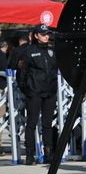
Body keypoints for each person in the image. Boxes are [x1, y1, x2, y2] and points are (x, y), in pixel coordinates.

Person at [16, 24, 59, 166]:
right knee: (32, 123)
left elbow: (54, 70)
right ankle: (29, 154)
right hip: (34, 92)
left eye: (48, 34)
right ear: (36, 35)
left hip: (50, 92)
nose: (46, 36)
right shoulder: (28, 52)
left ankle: (49, 153)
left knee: (47, 124)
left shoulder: (52, 51)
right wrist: (28, 90)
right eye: (43, 34)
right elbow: (20, 75)